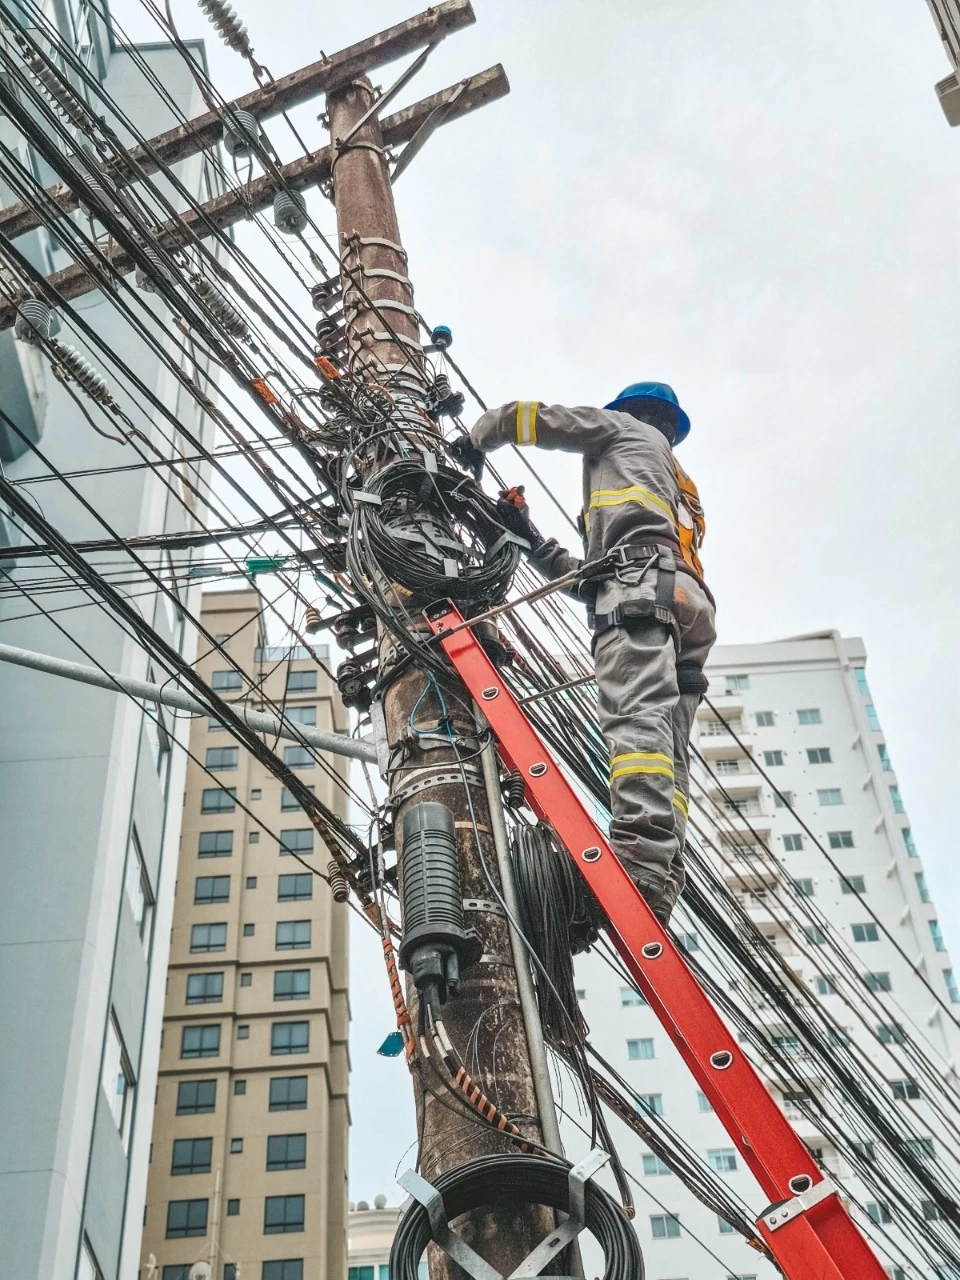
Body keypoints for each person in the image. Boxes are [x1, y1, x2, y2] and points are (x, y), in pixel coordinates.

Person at [459, 383, 716, 927]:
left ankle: (641, 865)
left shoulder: (622, 430)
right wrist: (532, 542)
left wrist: (472, 443)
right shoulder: (677, 482)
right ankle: (662, 883)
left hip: (643, 588)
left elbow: (528, 418)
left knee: (637, 726)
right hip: (685, 603)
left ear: (625, 412)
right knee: (669, 752)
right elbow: (601, 576)